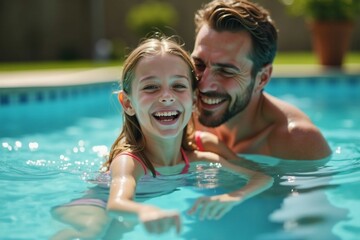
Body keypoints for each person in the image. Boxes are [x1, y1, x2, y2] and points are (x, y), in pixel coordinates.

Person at [51, 35, 273, 240]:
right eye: (151, 87)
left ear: (194, 99)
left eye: (178, 86)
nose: (167, 97)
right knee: (92, 231)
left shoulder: (200, 157)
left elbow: (262, 177)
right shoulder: (130, 161)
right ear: (128, 103)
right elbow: (117, 203)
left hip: (135, 208)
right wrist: (145, 211)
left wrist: (232, 197)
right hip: (95, 204)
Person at [191, 0, 332, 160]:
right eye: (199, 64)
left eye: (226, 71)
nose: (204, 84)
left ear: (262, 78)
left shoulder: (298, 142)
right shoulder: (182, 116)